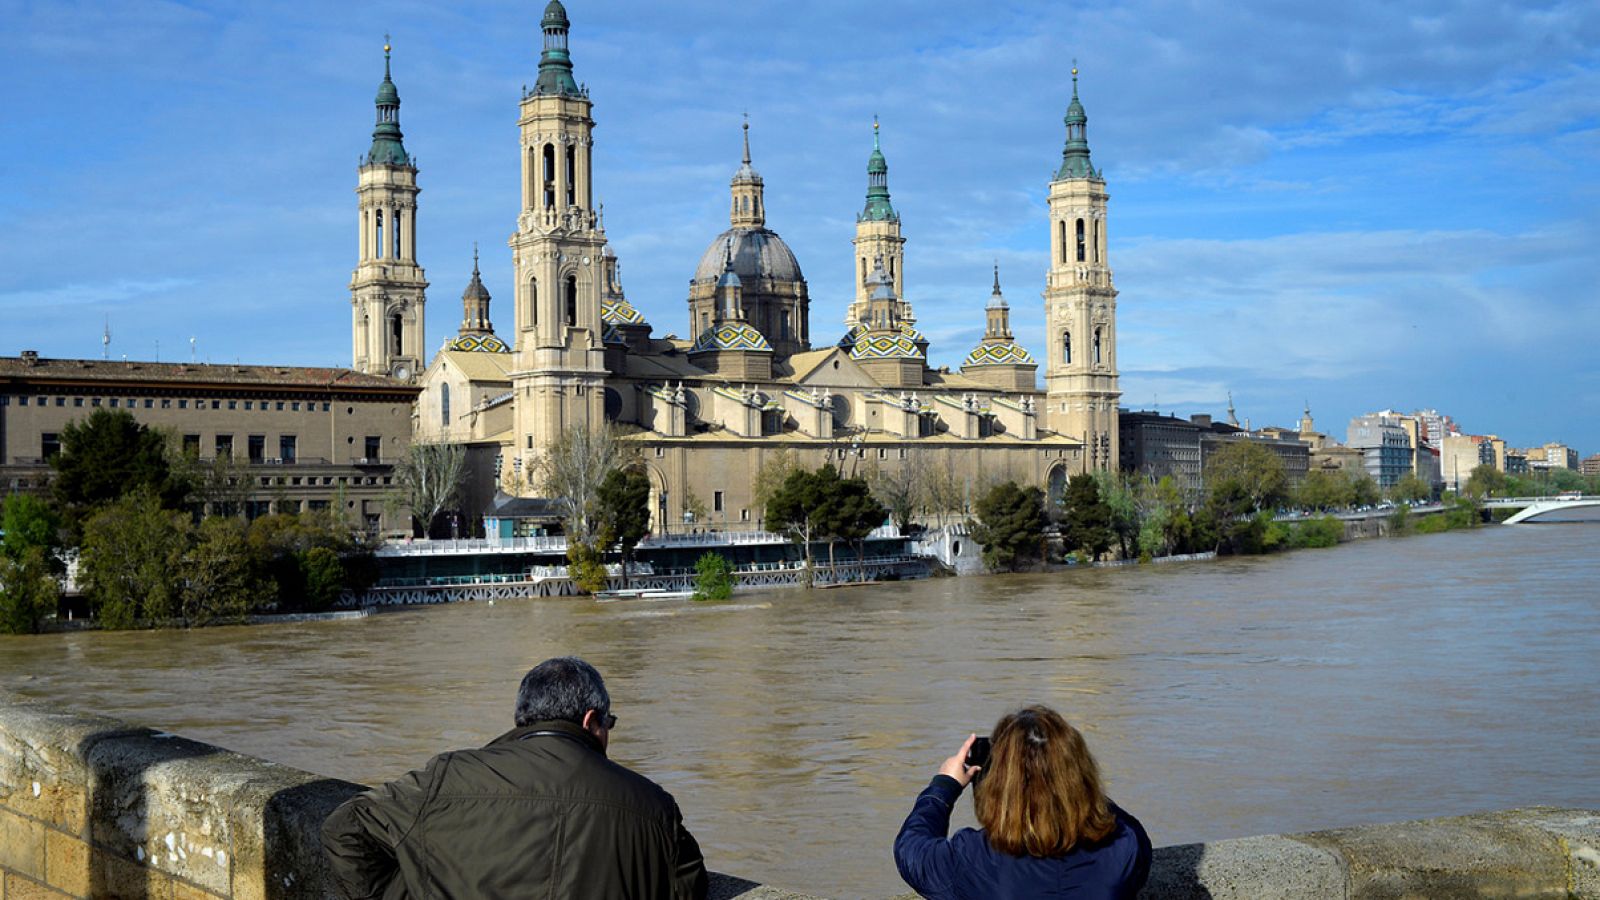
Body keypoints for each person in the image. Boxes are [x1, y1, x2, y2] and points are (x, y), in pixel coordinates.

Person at [322, 656, 709, 899]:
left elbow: (344, 830)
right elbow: (688, 887)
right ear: (592, 721)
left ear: (523, 719)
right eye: (609, 723)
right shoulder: (654, 806)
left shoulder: (445, 778)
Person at [894, 705, 1151, 899]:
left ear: (1000, 783)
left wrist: (944, 786)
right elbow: (1116, 822)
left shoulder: (975, 860)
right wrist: (1069, 783)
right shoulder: (1124, 847)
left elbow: (910, 850)